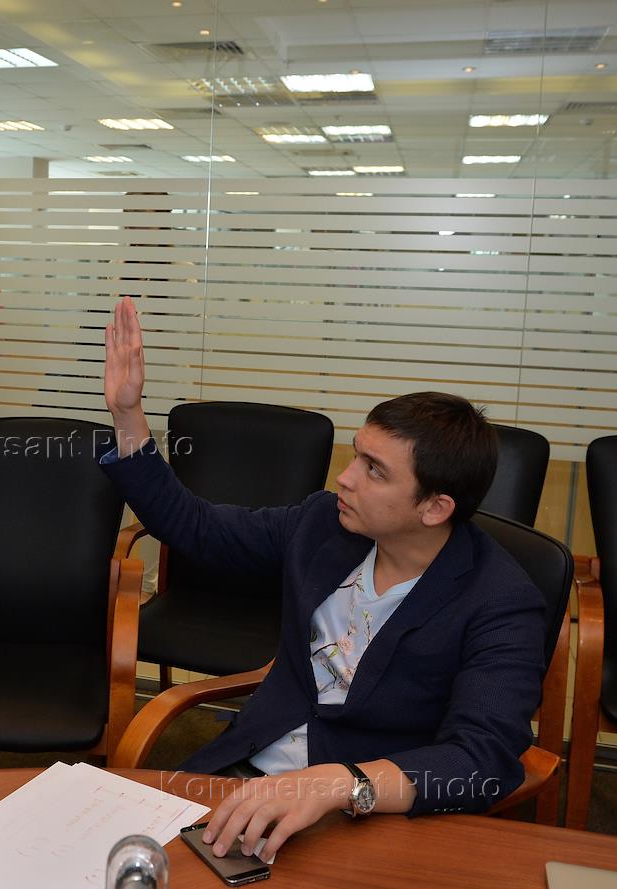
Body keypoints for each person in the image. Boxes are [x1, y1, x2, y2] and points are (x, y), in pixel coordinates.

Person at [100, 296, 547, 863]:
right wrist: (128, 415)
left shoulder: (501, 602)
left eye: (374, 470)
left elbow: (480, 760)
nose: (346, 478)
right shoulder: (323, 526)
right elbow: (197, 528)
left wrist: (341, 783)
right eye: (356, 456)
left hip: (362, 818)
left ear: (435, 507)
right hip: (246, 778)